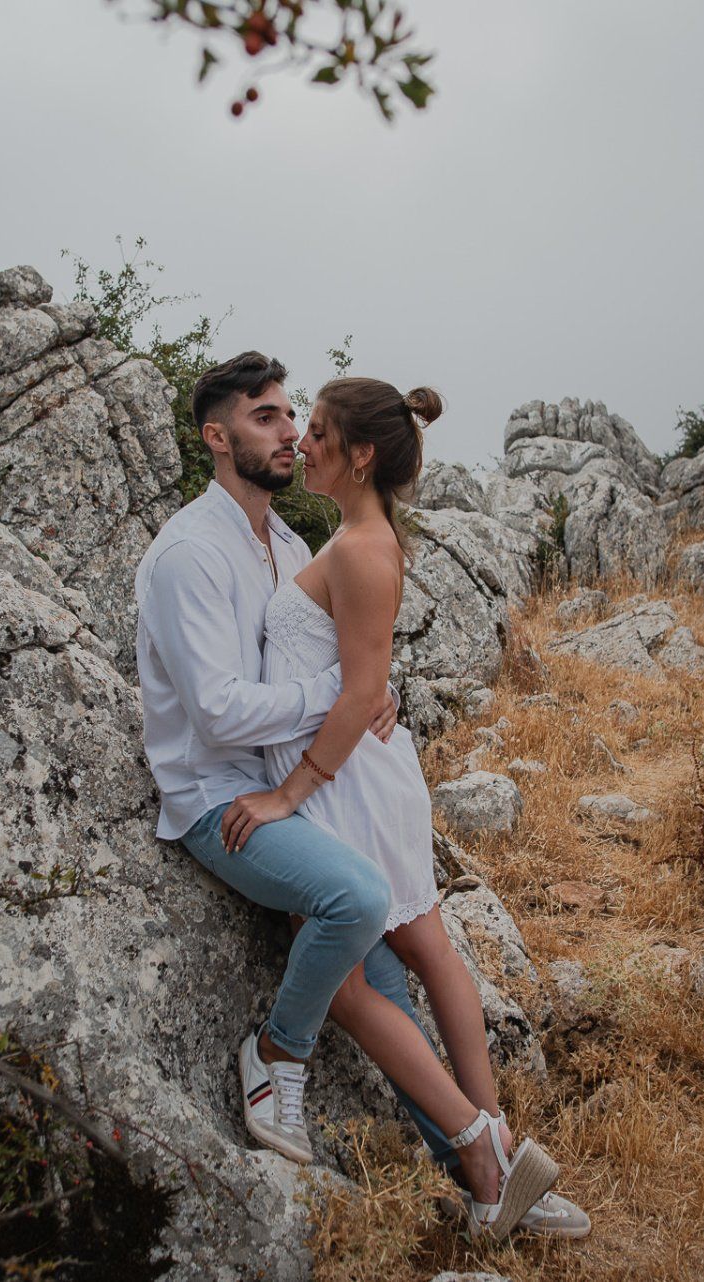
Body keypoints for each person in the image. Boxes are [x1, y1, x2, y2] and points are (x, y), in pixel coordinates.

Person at [134, 352, 584, 1241]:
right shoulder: (191, 552)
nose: (290, 434)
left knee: (385, 979)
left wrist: (352, 704)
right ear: (216, 438)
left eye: (294, 417)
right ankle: (276, 1054)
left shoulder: (295, 543)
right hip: (221, 796)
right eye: (266, 418)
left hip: (303, 792)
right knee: (357, 903)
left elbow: (347, 661)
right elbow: (223, 714)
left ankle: (485, 1177)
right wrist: (345, 701)